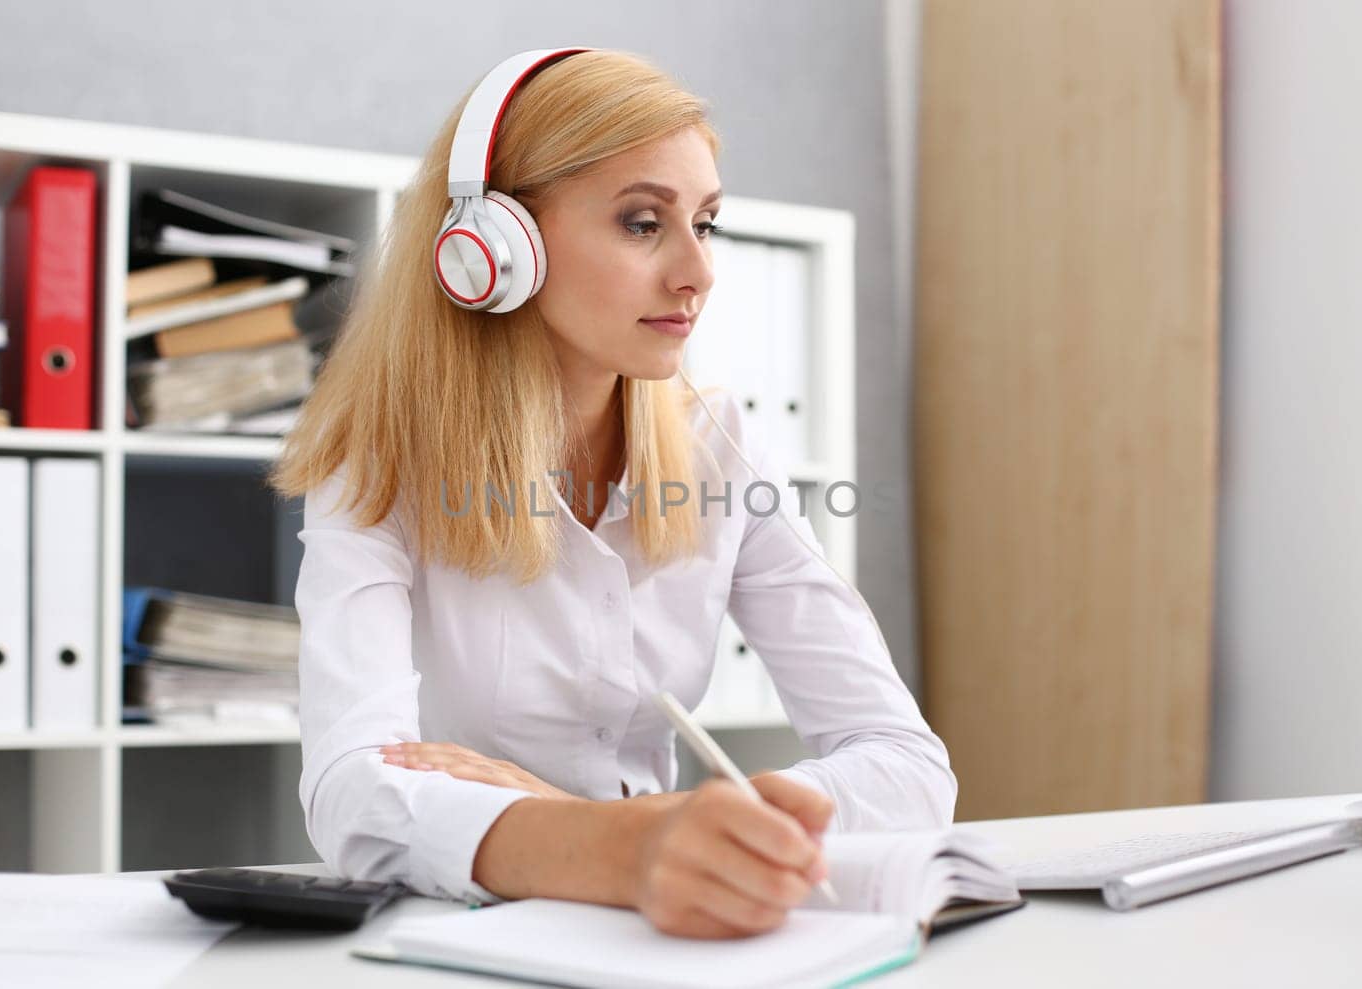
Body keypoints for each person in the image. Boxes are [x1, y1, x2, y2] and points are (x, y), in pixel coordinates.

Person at [270, 48, 956, 940]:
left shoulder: (718, 444)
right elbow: (352, 792)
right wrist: (620, 838)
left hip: (656, 924)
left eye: (705, 223)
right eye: (642, 223)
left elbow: (907, 763)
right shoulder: (378, 459)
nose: (697, 273)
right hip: (471, 934)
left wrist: (715, 828)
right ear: (491, 247)